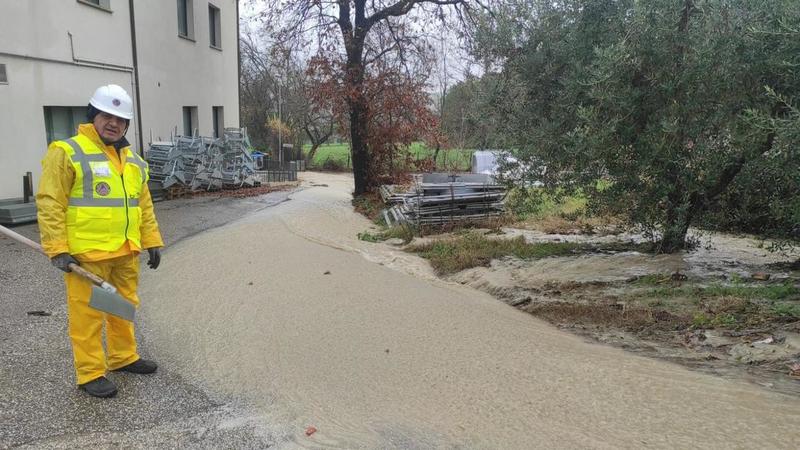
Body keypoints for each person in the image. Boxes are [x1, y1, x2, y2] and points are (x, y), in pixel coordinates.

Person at [36, 84, 164, 398]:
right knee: (88, 317)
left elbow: (142, 205)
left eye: (121, 119)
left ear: (127, 125)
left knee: (122, 308)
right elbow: (50, 201)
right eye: (107, 115)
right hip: (87, 256)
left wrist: (152, 241)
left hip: (125, 252)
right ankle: (90, 372)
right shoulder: (67, 152)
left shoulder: (134, 161)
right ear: (93, 115)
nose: (113, 123)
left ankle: (123, 357)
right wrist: (58, 248)